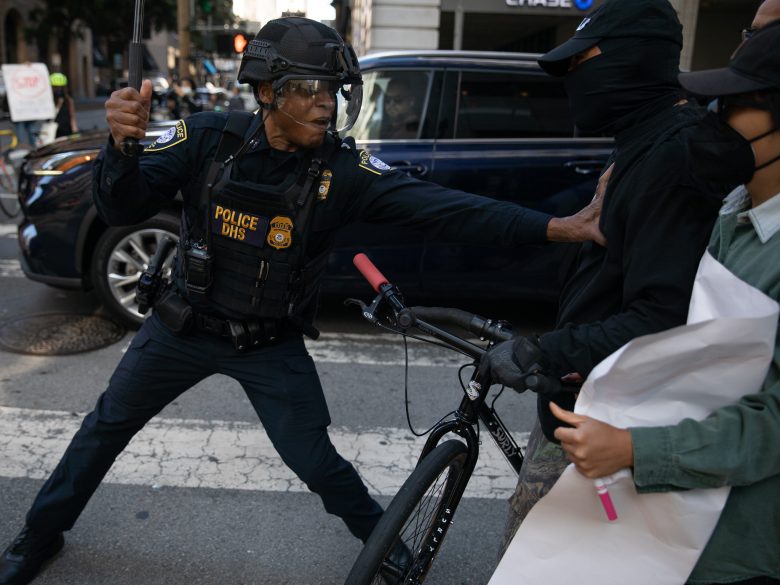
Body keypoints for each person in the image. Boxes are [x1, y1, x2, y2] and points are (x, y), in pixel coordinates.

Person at [0, 16, 605, 585]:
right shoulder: (207, 138)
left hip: (269, 345)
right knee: (103, 429)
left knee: (317, 463)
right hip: (179, 329)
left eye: (334, 90)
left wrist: (560, 228)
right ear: (267, 92)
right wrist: (121, 145)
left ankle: (382, 542)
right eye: (309, 88)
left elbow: (449, 210)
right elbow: (120, 206)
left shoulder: (342, 170)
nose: (326, 103)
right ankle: (39, 534)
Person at [477, 0, 726, 553]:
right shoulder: (641, 139)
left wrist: (546, 350)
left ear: (632, 60)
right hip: (582, 390)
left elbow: (665, 313)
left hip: (616, 412)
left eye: (580, 63)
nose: (571, 80)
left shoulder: (677, 157)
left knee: (534, 554)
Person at [551, 22, 780, 585]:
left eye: (735, 104)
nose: (714, 118)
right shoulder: (729, 210)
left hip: (740, 547)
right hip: (672, 524)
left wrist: (635, 449)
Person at [49, 73, 77, 139]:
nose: (58, 89)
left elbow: (72, 117)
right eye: (55, 87)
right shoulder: (49, 101)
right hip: (53, 131)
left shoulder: (68, 100)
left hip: (66, 131)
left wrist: (75, 131)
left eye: (60, 87)